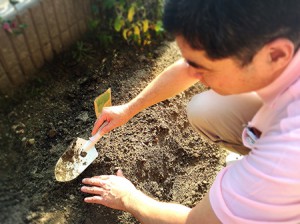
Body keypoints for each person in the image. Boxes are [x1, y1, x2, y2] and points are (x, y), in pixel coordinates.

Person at [80, 0, 300, 223]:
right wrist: (128, 109)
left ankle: (262, 189)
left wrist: (128, 198)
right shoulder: (284, 34)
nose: (193, 74)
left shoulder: (288, 151)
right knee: (207, 109)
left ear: (275, 55)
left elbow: (198, 222)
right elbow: (187, 69)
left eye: (204, 69)